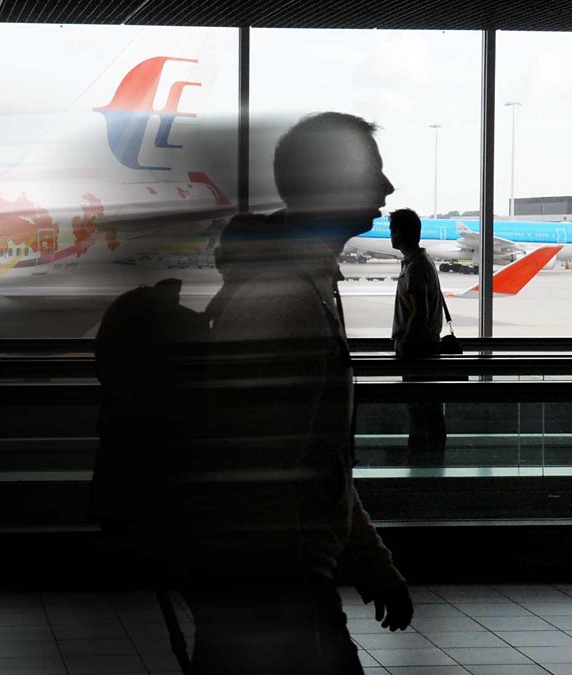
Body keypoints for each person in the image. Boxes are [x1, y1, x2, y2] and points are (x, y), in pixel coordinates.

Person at [184, 112, 412, 673]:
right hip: (275, 586)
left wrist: (370, 563)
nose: (387, 187)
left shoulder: (299, 287)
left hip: (277, 578)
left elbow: (316, 464)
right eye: (374, 173)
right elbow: (263, 467)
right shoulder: (285, 301)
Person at [390, 208, 448, 467]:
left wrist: (404, 343)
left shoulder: (415, 267)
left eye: (392, 230)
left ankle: (423, 464)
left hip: (417, 351)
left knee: (422, 410)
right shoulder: (422, 262)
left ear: (399, 233)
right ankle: (429, 463)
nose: (391, 236)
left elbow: (419, 312)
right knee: (428, 409)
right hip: (425, 348)